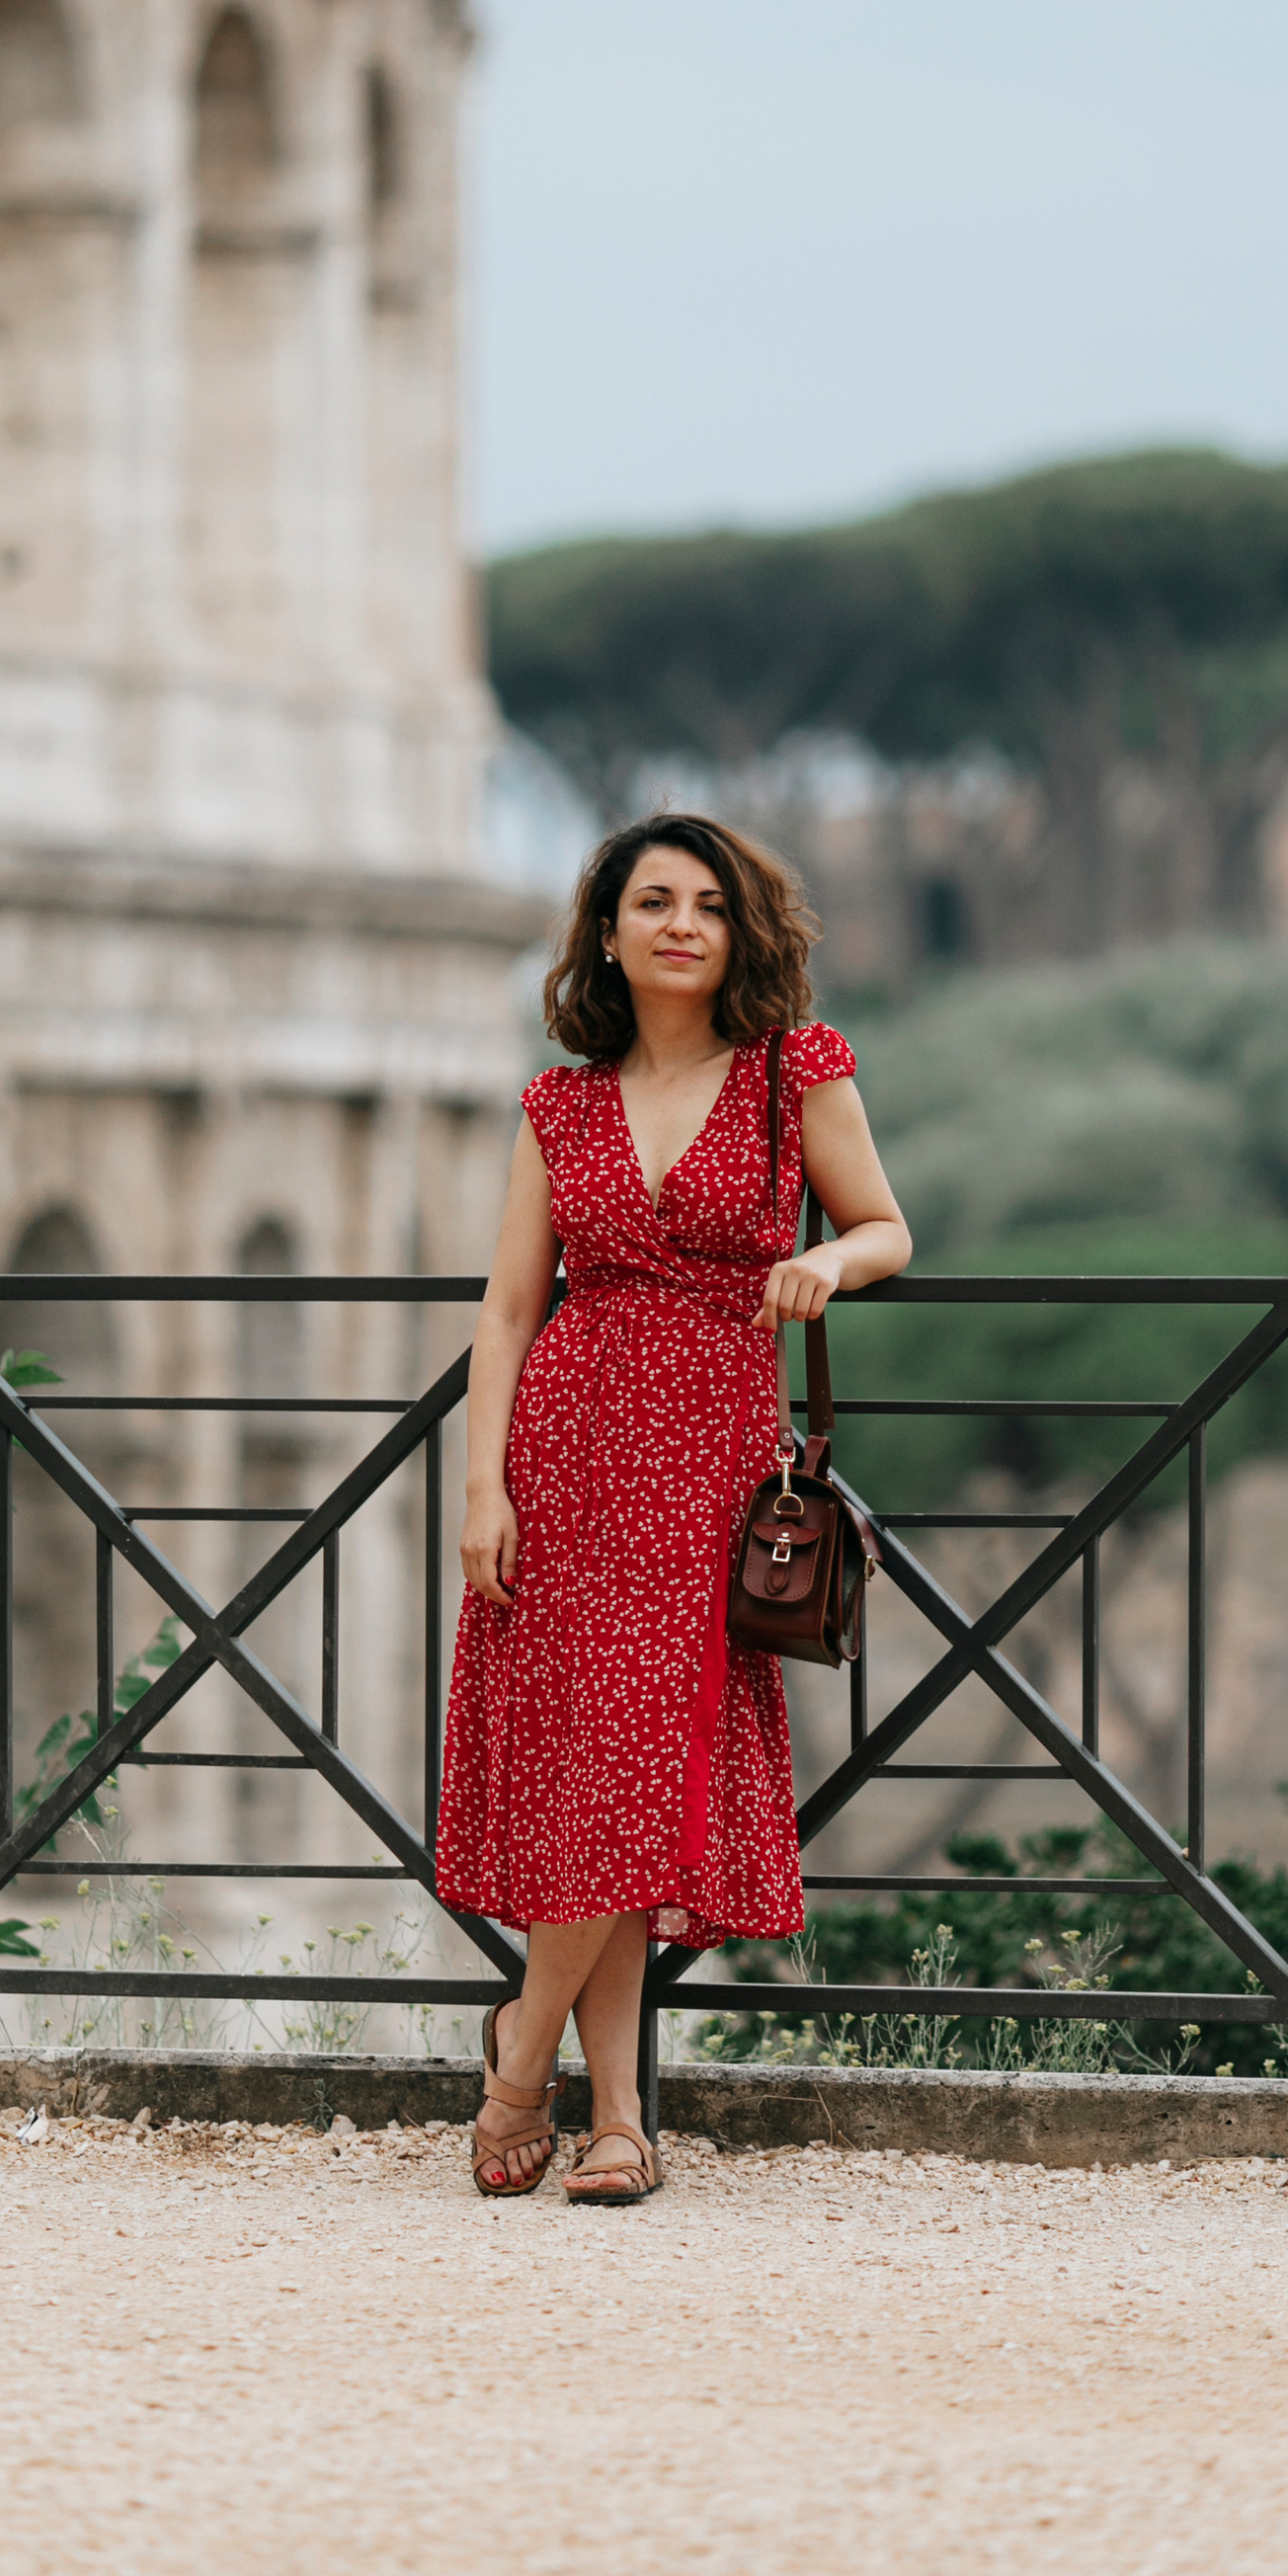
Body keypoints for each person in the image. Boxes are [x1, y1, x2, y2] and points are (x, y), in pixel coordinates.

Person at [434, 811, 912, 2205]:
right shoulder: (560, 1104)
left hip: (707, 1462)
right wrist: (482, 1485)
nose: (682, 923)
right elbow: (511, 1308)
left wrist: (832, 1264)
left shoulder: (792, 1075)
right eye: (652, 900)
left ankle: (522, 2060)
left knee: (640, 1767)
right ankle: (625, 2123)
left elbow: (887, 1222)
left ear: (740, 930)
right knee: (599, 1779)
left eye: (708, 903)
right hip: (568, 1456)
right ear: (607, 931)